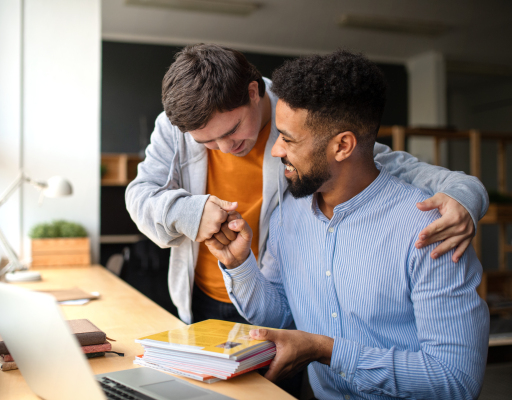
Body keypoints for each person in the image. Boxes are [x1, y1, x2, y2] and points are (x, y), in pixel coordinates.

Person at [125, 44, 488, 325]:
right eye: (206, 142)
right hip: (199, 293)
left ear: (254, 92)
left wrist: (466, 194)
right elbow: (140, 195)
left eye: (232, 130)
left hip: (281, 301)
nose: (225, 149)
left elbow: (376, 157)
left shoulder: (298, 111)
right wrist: (191, 211)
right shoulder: (176, 125)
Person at [205, 51, 489, 399]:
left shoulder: (430, 230)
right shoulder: (287, 214)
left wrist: (327, 350)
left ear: (343, 145)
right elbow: (277, 316)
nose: (276, 150)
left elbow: (454, 381)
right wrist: (239, 264)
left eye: (288, 139)